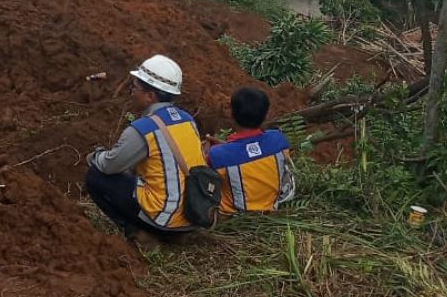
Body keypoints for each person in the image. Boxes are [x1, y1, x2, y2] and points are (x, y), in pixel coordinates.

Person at [84, 54, 205, 243]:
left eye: (135, 87)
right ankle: (180, 233)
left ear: (151, 96)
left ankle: (137, 233)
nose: (132, 91)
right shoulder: (187, 120)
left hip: (164, 219)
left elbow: (110, 166)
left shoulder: (143, 129)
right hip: (194, 213)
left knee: (95, 176)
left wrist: (94, 157)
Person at [206, 87, 295, 214]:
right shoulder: (278, 141)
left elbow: (204, 172)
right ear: (265, 116)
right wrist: (226, 146)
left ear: (232, 114)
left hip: (232, 216)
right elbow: (251, 153)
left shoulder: (217, 154)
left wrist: (208, 151)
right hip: (270, 210)